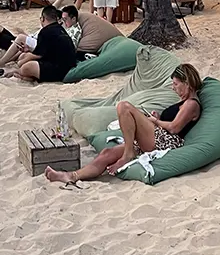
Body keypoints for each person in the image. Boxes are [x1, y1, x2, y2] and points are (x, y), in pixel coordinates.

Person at [45, 64, 203, 183]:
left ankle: (129, 153)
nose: (173, 88)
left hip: (166, 142)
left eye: (176, 84)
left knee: (124, 107)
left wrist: (156, 121)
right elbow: (171, 121)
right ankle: (71, 176)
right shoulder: (183, 102)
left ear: (187, 83)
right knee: (107, 153)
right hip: (157, 135)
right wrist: (158, 117)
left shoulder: (191, 104)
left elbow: (175, 128)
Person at [0, 6, 77, 82]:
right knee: (26, 60)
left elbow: (39, 55)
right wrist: (27, 50)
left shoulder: (45, 32)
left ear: (42, 18)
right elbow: (46, 51)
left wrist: (17, 69)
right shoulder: (59, 29)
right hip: (66, 65)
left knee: (27, 67)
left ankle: (20, 74)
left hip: (60, 69)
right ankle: (27, 76)